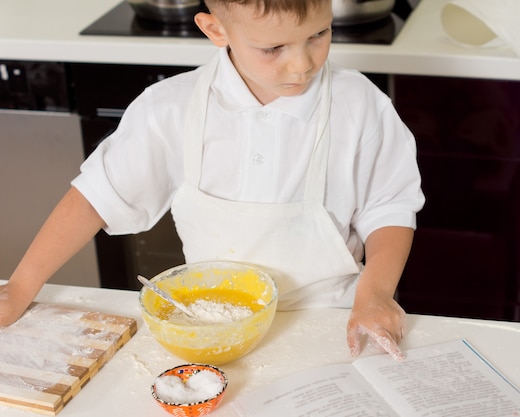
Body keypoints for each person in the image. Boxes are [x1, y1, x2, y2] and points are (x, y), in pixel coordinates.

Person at [0, 0, 424, 361]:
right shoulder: (170, 109)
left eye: (318, 34)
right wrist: (20, 286)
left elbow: (387, 209)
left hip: (335, 320)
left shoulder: (360, 104)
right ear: (215, 29)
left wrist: (376, 295)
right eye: (273, 47)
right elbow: (96, 198)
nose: (304, 63)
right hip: (211, 330)